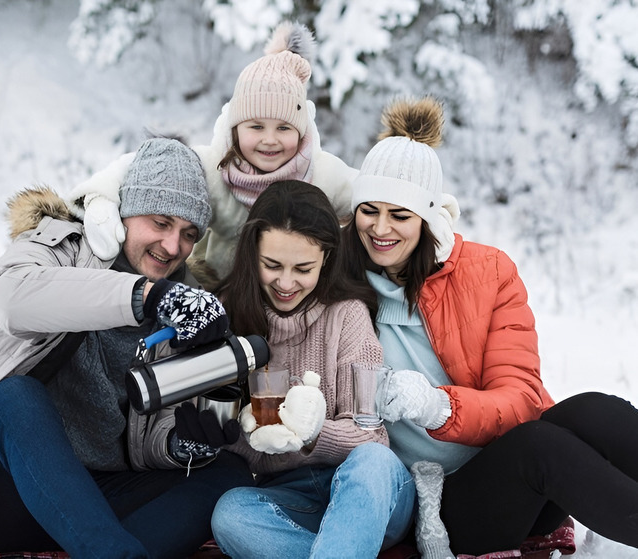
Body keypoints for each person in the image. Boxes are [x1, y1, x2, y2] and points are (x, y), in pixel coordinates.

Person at [0, 137, 255, 559]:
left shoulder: (185, 302)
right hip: (3, 491)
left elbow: (153, 436)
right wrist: (147, 296)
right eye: (160, 222)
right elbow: (13, 299)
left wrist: (185, 445)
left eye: (188, 233)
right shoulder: (60, 246)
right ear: (126, 212)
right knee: (13, 398)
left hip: (99, 500)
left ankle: (105, 548)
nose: (173, 247)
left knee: (228, 473)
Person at [342, 96, 638, 556]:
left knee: (592, 409)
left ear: (427, 218)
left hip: (512, 470)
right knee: (541, 446)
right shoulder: (335, 282)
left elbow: (520, 398)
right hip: (437, 504)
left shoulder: (486, 272)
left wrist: (438, 408)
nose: (381, 229)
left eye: (400, 215)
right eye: (369, 210)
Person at [209, 180, 416, 559]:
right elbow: (230, 443)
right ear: (251, 254)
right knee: (231, 513)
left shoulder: (347, 314)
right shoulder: (227, 314)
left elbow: (372, 438)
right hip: (292, 498)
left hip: (368, 493)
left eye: (303, 268)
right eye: (272, 265)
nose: (285, 283)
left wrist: (312, 432)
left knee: (372, 462)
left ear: (326, 258)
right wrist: (247, 429)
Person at [66, 21, 358, 283]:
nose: (270, 140)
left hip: (294, 291)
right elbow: (146, 165)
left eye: (284, 128)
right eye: (256, 127)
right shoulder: (214, 167)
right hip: (220, 291)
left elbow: (372, 193)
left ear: (301, 131)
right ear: (235, 128)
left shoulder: (320, 173)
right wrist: (100, 197)